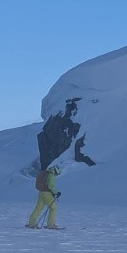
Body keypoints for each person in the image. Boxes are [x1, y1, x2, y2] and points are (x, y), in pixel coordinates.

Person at [26, 96, 95, 229]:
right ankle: (51, 225)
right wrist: (56, 192)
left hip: (41, 192)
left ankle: (31, 223)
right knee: (53, 208)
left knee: (38, 208)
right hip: (47, 192)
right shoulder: (51, 175)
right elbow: (51, 185)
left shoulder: (46, 172)